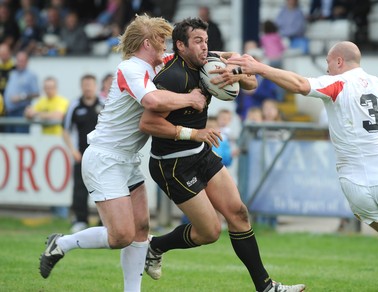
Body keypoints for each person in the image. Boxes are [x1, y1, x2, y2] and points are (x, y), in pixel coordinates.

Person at [39, 14, 206, 292]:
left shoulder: (154, 66)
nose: (165, 47)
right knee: (121, 235)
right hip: (104, 158)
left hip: (127, 159)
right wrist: (190, 99)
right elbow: (152, 100)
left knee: (141, 229)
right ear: (146, 43)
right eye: (160, 41)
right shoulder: (130, 68)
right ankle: (62, 243)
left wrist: (230, 59)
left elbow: (188, 55)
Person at [139, 17, 305, 292]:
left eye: (206, 41)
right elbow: (148, 124)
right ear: (180, 45)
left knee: (239, 213)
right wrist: (194, 133)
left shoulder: (209, 61)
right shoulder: (172, 77)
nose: (205, 47)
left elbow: (250, 84)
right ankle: (155, 246)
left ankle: (266, 287)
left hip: (200, 152)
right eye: (198, 41)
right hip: (173, 164)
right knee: (210, 232)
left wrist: (237, 74)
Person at [225, 40, 378, 289]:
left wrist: (259, 67)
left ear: (339, 61)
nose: (326, 69)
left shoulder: (336, 83)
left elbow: (299, 84)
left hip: (355, 187)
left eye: (328, 62)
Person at [62, 74, 103, 229]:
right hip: (81, 155)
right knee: (79, 188)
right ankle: (80, 220)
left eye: (90, 84)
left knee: (103, 188)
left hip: (100, 156)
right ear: (81, 86)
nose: (88, 87)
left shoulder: (103, 104)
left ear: (95, 86)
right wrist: (73, 151)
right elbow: (65, 130)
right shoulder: (75, 106)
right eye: (85, 84)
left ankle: (103, 221)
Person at [4, 50, 39, 133]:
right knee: (9, 140)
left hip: (21, 112)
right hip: (9, 112)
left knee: (20, 139)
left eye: (22, 61)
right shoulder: (13, 74)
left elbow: (36, 94)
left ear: (27, 62)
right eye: (18, 60)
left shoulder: (31, 75)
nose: (20, 63)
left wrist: (21, 97)